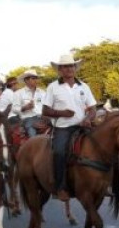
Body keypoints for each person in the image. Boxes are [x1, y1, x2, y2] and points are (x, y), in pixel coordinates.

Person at [42, 53, 97, 202]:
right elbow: (45, 111)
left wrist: (87, 119)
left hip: (82, 126)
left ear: (75, 68)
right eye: (65, 67)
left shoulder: (83, 86)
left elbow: (93, 109)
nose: (69, 69)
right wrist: (62, 113)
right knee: (59, 152)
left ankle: (105, 183)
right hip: (63, 127)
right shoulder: (53, 87)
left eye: (71, 66)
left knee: (104, 145)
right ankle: (60, 188)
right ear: (60, 70)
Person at [15, 69, 46, 137]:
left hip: (42, 117)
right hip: (27, 118)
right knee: (31, 130)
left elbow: (47, 106)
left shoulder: (43, 92)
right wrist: (24, 108)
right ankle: (35, 145)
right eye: (33, 78)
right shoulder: (18, 93)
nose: (36, 80)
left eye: (36, 78)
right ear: (26, 80)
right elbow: (14, 109)